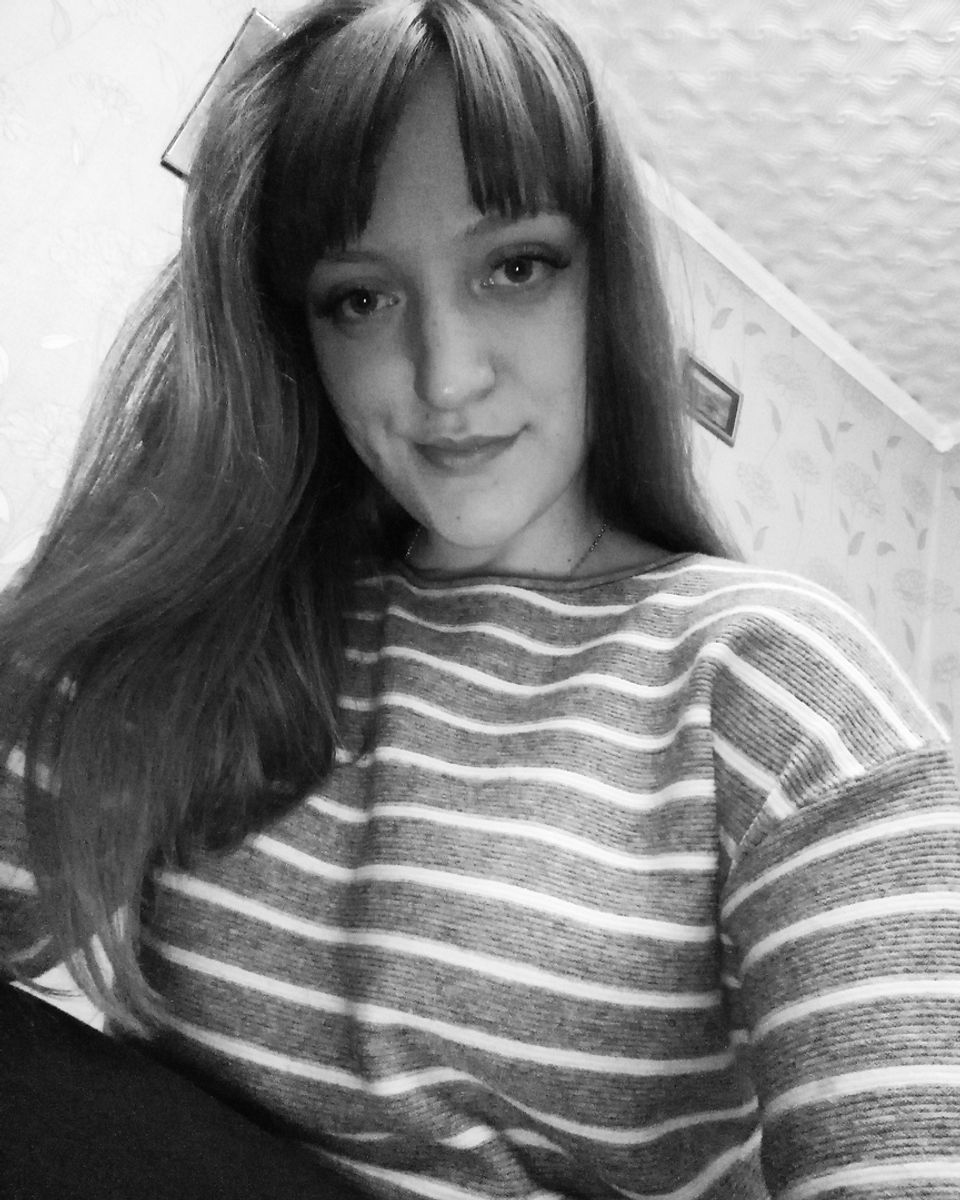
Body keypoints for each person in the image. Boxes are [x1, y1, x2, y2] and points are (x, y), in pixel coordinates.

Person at [2, 0, 959, 1196]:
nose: (445, 377)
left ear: (607, 286)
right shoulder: (237, 615)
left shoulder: (772, 688)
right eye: (360, 297)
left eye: (516, 267)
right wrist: (131, 559)